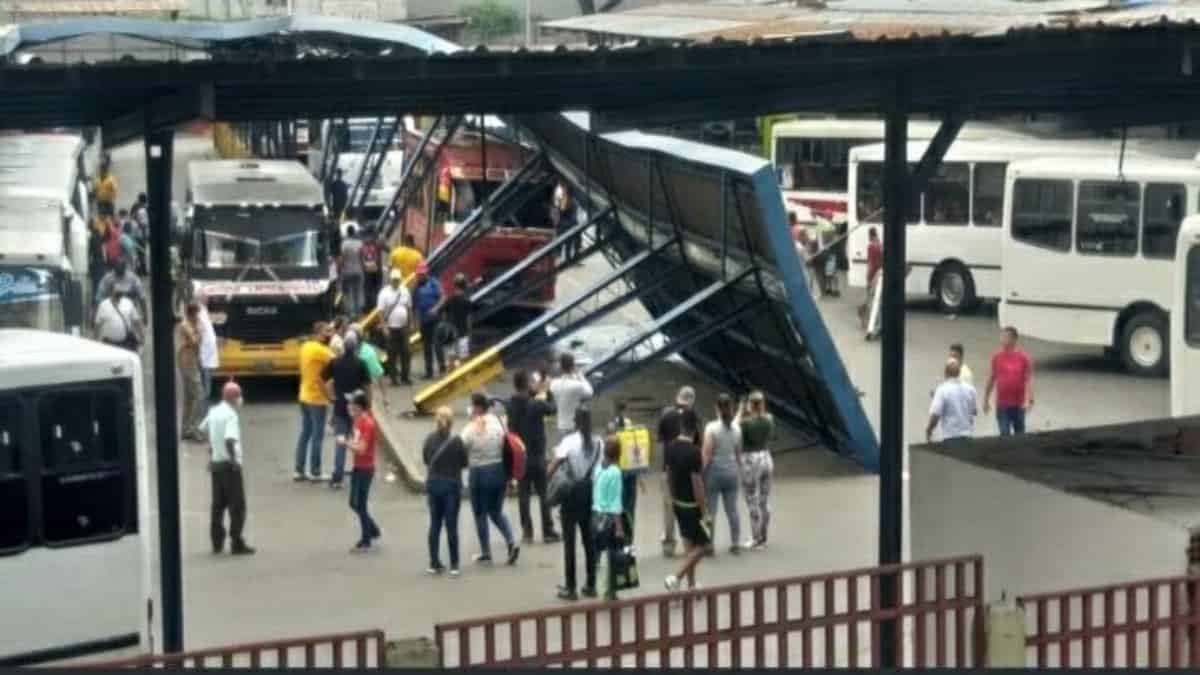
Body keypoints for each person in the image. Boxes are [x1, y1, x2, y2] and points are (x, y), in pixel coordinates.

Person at [549, 407, 603, 601]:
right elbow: (600, 468)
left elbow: (554, 464)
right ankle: (591, 585)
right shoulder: (598, 442)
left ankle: (570, 587)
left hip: (571, 495)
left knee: (569, 542)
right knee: (589, 540)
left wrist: (546, 484)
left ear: (575, 421)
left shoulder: (569, 441)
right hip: (590, 493)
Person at [461, 392, 519, 566]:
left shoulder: (471, 428)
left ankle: (486, 552)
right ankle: (511, 540)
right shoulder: (498, 421)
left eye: (472, 405)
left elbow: (461, 445)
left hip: (479, 473)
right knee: (496, 511)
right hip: (499, 470)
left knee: (480, 513)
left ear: (477, 407)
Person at [200, 380, 255, 556]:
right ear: (233, 397)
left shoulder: (214, 411)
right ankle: (236, 542)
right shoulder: (231, 415)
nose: (241, 399)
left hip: (216, 465)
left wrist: (213, 451)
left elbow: (203, 429)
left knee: (218, 506)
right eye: (238, 396)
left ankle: (217, 542)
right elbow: (230, 439)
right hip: (228, 467)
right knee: (237, 506)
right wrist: (233, 460)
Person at [509, 369, 559, 544]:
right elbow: (553, 408)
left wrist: (536, 390)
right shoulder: (535, 405)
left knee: (524, 494)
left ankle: (527, 531)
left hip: (521, 456)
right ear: (527, 384)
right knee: (543, 493)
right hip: (537, 455)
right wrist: (547, 390)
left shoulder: (512, 404)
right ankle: (547, 529)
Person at [664, 409, 709, 593]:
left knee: (689, 545)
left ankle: (691, 586)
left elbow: (669, 475)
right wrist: (703, 508)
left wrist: (673, 496)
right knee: (704, 546)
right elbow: (697, 483)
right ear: (695, 428)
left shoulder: (670, 447)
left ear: (681, 426)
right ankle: (676, 577)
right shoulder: (695, 453)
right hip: (692, 505)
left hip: (678, 503)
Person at [323, 331, 373, 489]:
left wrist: (330, 395)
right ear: (356, 346)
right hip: (357, 409)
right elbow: (367, 386)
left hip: (340, 407)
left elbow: (323, 378)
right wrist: (368, 405)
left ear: (344, 347)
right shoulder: (361, 363)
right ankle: (358, 473)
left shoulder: (335, 362)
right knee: (357, 441)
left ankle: (337, 477)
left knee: (340, 441)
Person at [424, 406, 468, 576]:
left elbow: (426, 459)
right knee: (451, 525)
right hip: (451, 486)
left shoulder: (429, 440)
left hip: (434, 485)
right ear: (451, 423)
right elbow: (464, 463)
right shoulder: (456, 441)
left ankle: (434, 562)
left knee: (435, 524)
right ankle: (454, 564)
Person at [657, 385, 698, 558]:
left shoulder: (666, 415)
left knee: (669, 507)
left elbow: (660, 442)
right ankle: (691, 541)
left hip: (669, 467)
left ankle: (669, 545)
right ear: (692, 400)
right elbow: (698, 443)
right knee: (690, 503)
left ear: (677, 397)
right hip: (689, 467)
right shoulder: (694, 417)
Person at [702, 393, 743, 555]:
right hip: (731, 471)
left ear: (717, 408)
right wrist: (738, 471)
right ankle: (735, 543)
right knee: (732, 510)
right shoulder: (737, 429)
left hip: (714, 472)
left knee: (710, 511)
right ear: (731, 408)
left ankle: (709, 545)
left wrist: (700, 472)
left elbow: (707, 454)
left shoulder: (711, 428)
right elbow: (739, 454)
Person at [294, 322, 335, 481]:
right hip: (317, 398)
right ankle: (315, 471)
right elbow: (336, 360)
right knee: (318, 436)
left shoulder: (306, 347)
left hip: (304, 395)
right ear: (318, 333)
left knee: (305, 433)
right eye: (327, 332)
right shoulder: (321, 350)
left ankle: (299, 470)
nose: (329, 335)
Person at [737, 391, 775, 551]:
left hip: (751, 461)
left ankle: (755, 538)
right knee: (764, 501)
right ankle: (764, 537)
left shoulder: (745, 423)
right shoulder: (769, 419)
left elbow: (733, 426)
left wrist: (740, 410)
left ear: (750, 405)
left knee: (752, 499)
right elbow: (763, 416)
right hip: (766, 457)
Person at [345, 389, 382, 553]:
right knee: (355, 503)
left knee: (359, 503)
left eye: (351, 404)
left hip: (366, 468)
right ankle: (372, 528)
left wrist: (346, 443)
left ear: (359, 407)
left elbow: (361, 449)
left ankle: (366, 539)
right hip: (358, 466)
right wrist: (351, 442)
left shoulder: (367, 423)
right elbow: (356, 441)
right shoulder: (357, 421)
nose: (348, 407)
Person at [983, 326, 1034, 437]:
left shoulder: (1023, 358)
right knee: (1004, 434)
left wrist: (1030, 399)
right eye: (1002, 337)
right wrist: (986, 399)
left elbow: (1028, 379)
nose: (1002, 339)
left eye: (1006, 337)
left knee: (1020, 435)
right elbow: (992, 379)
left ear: (1014, 339)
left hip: (1019, 405)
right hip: (1002, 405)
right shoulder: (997, 357)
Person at [592, 435, 626, 602]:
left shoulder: (599, 469)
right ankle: (610, 590)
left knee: (600, 553)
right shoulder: (615, 472)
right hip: (609, 519)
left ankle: (599, 587)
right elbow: (615, 502)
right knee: (613, 554)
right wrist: (619, 527)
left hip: (596, 516)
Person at [606, 401, 643, 542]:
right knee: (630, 508)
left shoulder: (611, 427)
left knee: (617, 506)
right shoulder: (630, 426)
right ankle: (629, 538)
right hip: (630, 473)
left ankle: (619, 537)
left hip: (618, 472)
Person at [927, 358, 978, 443]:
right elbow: (974, 412)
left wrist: (929, 430)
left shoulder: (942, 390)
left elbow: (935, 415)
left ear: (945, 373)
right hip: (968, 436)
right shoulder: (970, 389)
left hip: (950, 437)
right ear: (959, 373)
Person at [377, 269, 413, 386]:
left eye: (397, 280)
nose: (396, 282)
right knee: (392, 354)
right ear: (390, 280)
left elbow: (409, 308)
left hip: (403, 327)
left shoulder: (405, 291)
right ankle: (394, 379)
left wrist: (410, 323)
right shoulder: (384, 293)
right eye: (394, 280)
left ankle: (405, 376)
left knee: (406, 352)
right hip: (391, 327)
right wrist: (384, 327)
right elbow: (381, 312)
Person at [176, 302, 205, 443]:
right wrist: (199, 331)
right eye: (196, 314)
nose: (198, 317)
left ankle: (186, 428)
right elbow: (195, 341)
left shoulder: (192, 325)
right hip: (187, 363)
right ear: (191, 314)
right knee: (199, 395)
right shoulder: (186, 325)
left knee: (189, 398)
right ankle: (193, 428)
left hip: (192, 362)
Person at [550, 353, 594, 443]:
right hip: (574, 425)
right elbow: (590, 392)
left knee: (564, 452)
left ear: (561, 367)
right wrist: (580, 375)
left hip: (561, 425)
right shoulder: (576, 385)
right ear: (573, 366)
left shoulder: (553, 384)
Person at [413, 263, 445, 380]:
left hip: (435, 320)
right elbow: (414, 306)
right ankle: (429, 371)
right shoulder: (416, 287)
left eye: (422, 274)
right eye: (419, 275)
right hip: (424, 321)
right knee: (426, 347)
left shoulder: (434, 283)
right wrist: (415, 322)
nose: (420, 276)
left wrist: (435, 308)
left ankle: (442, 369)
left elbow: (442, 297)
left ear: (426, 274)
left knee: (437, 345)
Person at [434, 273, 472, 371]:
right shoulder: (467, 300)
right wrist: (469, 332)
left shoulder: (450, 299)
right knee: (463, 360)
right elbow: (468, 318)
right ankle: (462, 381)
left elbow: (442, 314)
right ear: (465, 285)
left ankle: (451, 380)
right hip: (463, 333)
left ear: (455, 285)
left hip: (451, 334)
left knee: (451, 359)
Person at [94, 288, 142, 353]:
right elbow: (97, 325)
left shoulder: (128, 303)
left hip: (126, 343)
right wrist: (95, 341)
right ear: (111, 291)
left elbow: (136, 321)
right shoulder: (103, 305)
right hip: (109, 344)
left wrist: (142, 336)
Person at [339, 225, 366, 319]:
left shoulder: (344, 244)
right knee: (358, 292)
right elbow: (362, 258)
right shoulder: (360, 243)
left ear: (347, 233)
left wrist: (340, 271)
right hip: (358, 271)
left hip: (347, 271)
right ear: (354, 232)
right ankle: (359, 313)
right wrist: (363, 268)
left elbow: (342, 259)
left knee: (348, 293)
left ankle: (351, 314)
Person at [197, 292, 219, 400]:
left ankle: (206, 394)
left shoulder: (204, 310)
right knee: (205, 372)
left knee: (207, 371)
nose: (208, 300)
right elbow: (200, 327)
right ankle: (205, 395)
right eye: (206, 298)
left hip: (208, 346)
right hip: (204, 346)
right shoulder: (199, 311)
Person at [859, 228, 882, 330]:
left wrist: (867, 278)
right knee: (875, 299)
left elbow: (871, 263)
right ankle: (873, 321)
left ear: (870, 235)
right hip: (880, 274)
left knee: (869, 299)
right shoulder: (880, 244)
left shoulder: (871, 246)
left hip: (873, 274)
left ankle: (867, 322)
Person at [553, 181, 579, 262]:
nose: (563, 190)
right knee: (566, 242)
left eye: (564, 189)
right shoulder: (565, 199)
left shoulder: (570, 201)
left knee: (566, 242)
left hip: (567, 224)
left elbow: (563, 211)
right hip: (566, 224)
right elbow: (560, 211)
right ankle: (564, 256)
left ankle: (564, 256)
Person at [361, 227, 384, 307]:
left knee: (368, 288)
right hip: (377, 268)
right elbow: (388, 249)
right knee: (377, 288)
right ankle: (377, 305)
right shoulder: (378, 242)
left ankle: (368, 305)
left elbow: (361, 254)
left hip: (367, 269)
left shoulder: (364, 242)